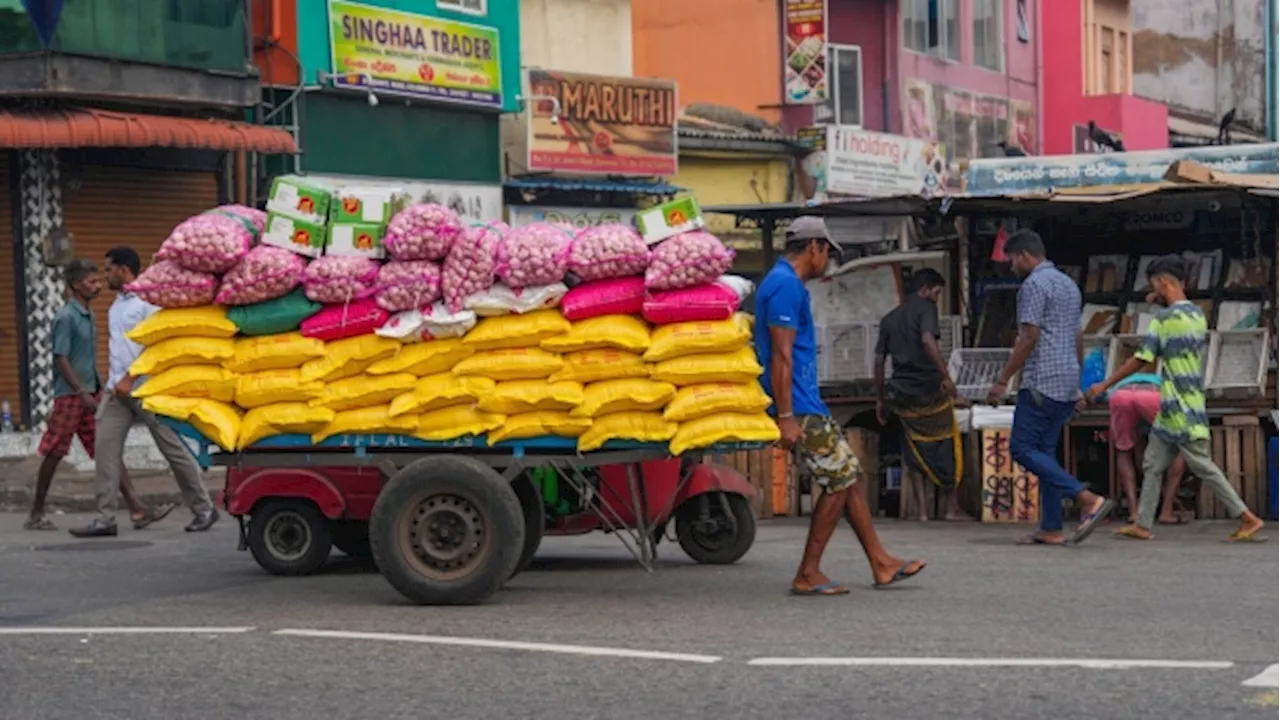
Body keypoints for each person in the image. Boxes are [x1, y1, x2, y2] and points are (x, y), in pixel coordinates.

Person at [757, 216, 926, 596]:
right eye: (826, 252)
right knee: (839, 480)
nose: (826, 261)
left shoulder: (784, 283)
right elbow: (781, 357)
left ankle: (881, 562)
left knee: (847, 476)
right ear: (814, 247)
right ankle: (808, 572)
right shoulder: (785, 286)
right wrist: (786, 416)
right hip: (798, 405)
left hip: (803, 401)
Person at [1082, 254, 1266, 542]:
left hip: (1178, 405)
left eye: (1155, 283)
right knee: (1153, 463)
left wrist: (1104, 384)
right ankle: (1142, 523)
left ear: (1163, 282)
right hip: (1182, 401)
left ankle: (1246, 516)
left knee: (1202, 465)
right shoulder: (1196, 314)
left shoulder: (1164, 319)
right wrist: (1160, 296)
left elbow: (1142, 359)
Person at [70, 247, 218, 538]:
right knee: (105, 449)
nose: (106, 275)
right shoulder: (116, 306)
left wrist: (131, 376)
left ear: (124, 270)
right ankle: (105, 517)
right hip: (117, 393)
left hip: (147, 389)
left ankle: (204, 509)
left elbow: (156, 345)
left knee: (172, 450)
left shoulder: (148, 302)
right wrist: (114, 383)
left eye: (109, 269)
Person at [985, 229, 1114, 545]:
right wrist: (1077, 380)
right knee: (1045, 453)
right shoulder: (1068, 284)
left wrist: (1002, 380)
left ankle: (1086, 499)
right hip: (1066, 378)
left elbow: (1028, 337)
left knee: (1022, 448)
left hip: (1041, 379)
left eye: (1013, 260)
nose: (1012, 267)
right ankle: (1051, 526)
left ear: (1025, 255)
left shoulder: (1032, 286)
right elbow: (1078, 335)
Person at [26, 259, 169, 531]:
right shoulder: (66, 316)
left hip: (90, 393)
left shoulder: (88, 314)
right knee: (55, 451)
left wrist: (97, 386)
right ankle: (36, 513)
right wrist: (80, 391)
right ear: (77, 285)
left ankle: (137, 508)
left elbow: (86, 358)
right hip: (71, 395)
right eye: (92, 281)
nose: (98, 285)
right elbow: (61, 357)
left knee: (107, 451)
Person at [874, 268, 971, 521]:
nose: (937, 298)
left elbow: (878, 361)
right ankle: (951, 508)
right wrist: (947, 378)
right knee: (947, 443)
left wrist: (881, 399)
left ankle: (923, 513)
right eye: (937, 293)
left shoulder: (889, 319)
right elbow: (928, 341)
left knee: (913, 448)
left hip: (902, 395)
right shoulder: (926, 308)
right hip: (929, 389)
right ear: (926, 290)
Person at [1084, 373, 1188, 525]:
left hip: (1121, 396)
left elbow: (1093, 395)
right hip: (1153, 394)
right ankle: (1166, 510)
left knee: (1124, 450)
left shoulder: (1120, 380)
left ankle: (1134, 512)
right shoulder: (1160, 379)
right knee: (1181, 446)